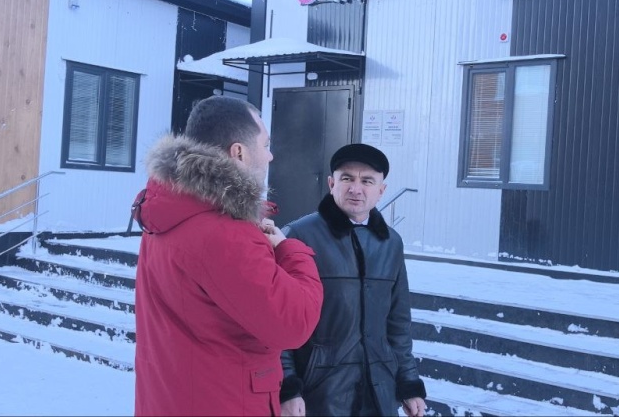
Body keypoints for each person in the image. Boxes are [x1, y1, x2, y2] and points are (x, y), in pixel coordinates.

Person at [131, 95, 323, 416]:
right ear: (239, 152)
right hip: (225, 401)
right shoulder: (225, 231)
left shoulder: (171, 210)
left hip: (172, 399)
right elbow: (294, 323)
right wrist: (290, 251)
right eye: (266, 144)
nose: (271, 155)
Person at [279, 143, 427, 417]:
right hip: (320, 391)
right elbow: (280, 320)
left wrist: (408, 382)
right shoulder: (299, 236)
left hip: (379, 390)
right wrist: (287, 387)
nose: (356, 189)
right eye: (347, 178)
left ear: (381, 190)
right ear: (331, 183)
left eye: (367, 181)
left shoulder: (391, 243)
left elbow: (398, 323)